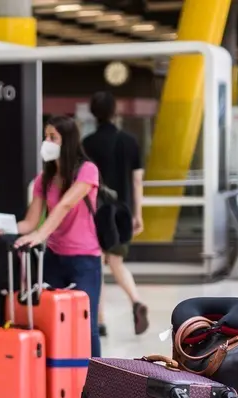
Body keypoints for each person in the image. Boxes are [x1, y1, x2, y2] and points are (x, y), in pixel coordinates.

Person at [14, 115, 103, 357]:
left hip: (84, 260)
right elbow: (30, 222)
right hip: (54, 258)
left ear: (68, 140)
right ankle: (59, 374)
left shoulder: (87, 171)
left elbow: (65, 205)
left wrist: (40, 234)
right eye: (46, 136)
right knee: (51, 321)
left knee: (86, 325)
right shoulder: (44, 179)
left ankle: (97, 377)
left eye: (53, 137)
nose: (47, 142)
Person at [82, 92, 149, 337]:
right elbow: (137, 180)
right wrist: (137, 214)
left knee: (97, 263)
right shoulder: (129, 141)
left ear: (93, 113)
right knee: (117, 262)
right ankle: (136, 300)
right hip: (122, 212)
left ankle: (100, 321)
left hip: (96, 213)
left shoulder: (87, 143)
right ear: (115, 112)